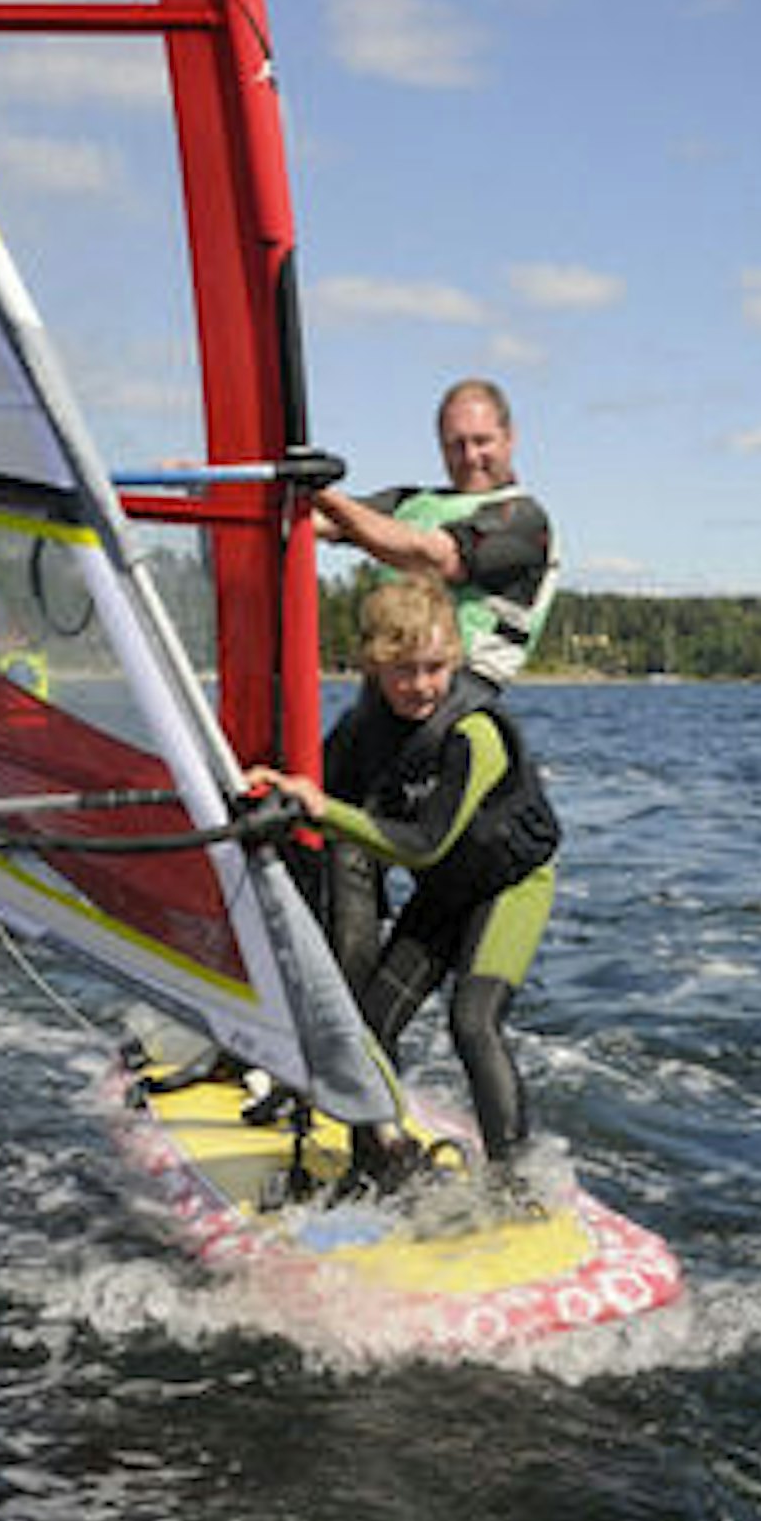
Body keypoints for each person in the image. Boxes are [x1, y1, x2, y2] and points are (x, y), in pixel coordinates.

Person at [248, 576, 559, 1194]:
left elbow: (423, 843)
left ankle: (514, 1187)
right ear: (372, 666)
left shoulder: (476, 732)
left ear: (455, 660)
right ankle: (380, 1158)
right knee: (372, 1021)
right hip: (445, 892)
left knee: (473, 1021)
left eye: (435, 667)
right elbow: (315, 788)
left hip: (507, 888)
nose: (421, 685)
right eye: (403, 672)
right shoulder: (365, 727)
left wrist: (320, 809)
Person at [313, 377, 559, 691]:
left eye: (482, 441)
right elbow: (324, 521)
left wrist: (318, 493)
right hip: (384, 696)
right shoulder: (410, 504)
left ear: (509, 438)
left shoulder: (525, 521)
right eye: (456, 445)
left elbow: (431, 556)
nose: (470, 457)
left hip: (457, 699)